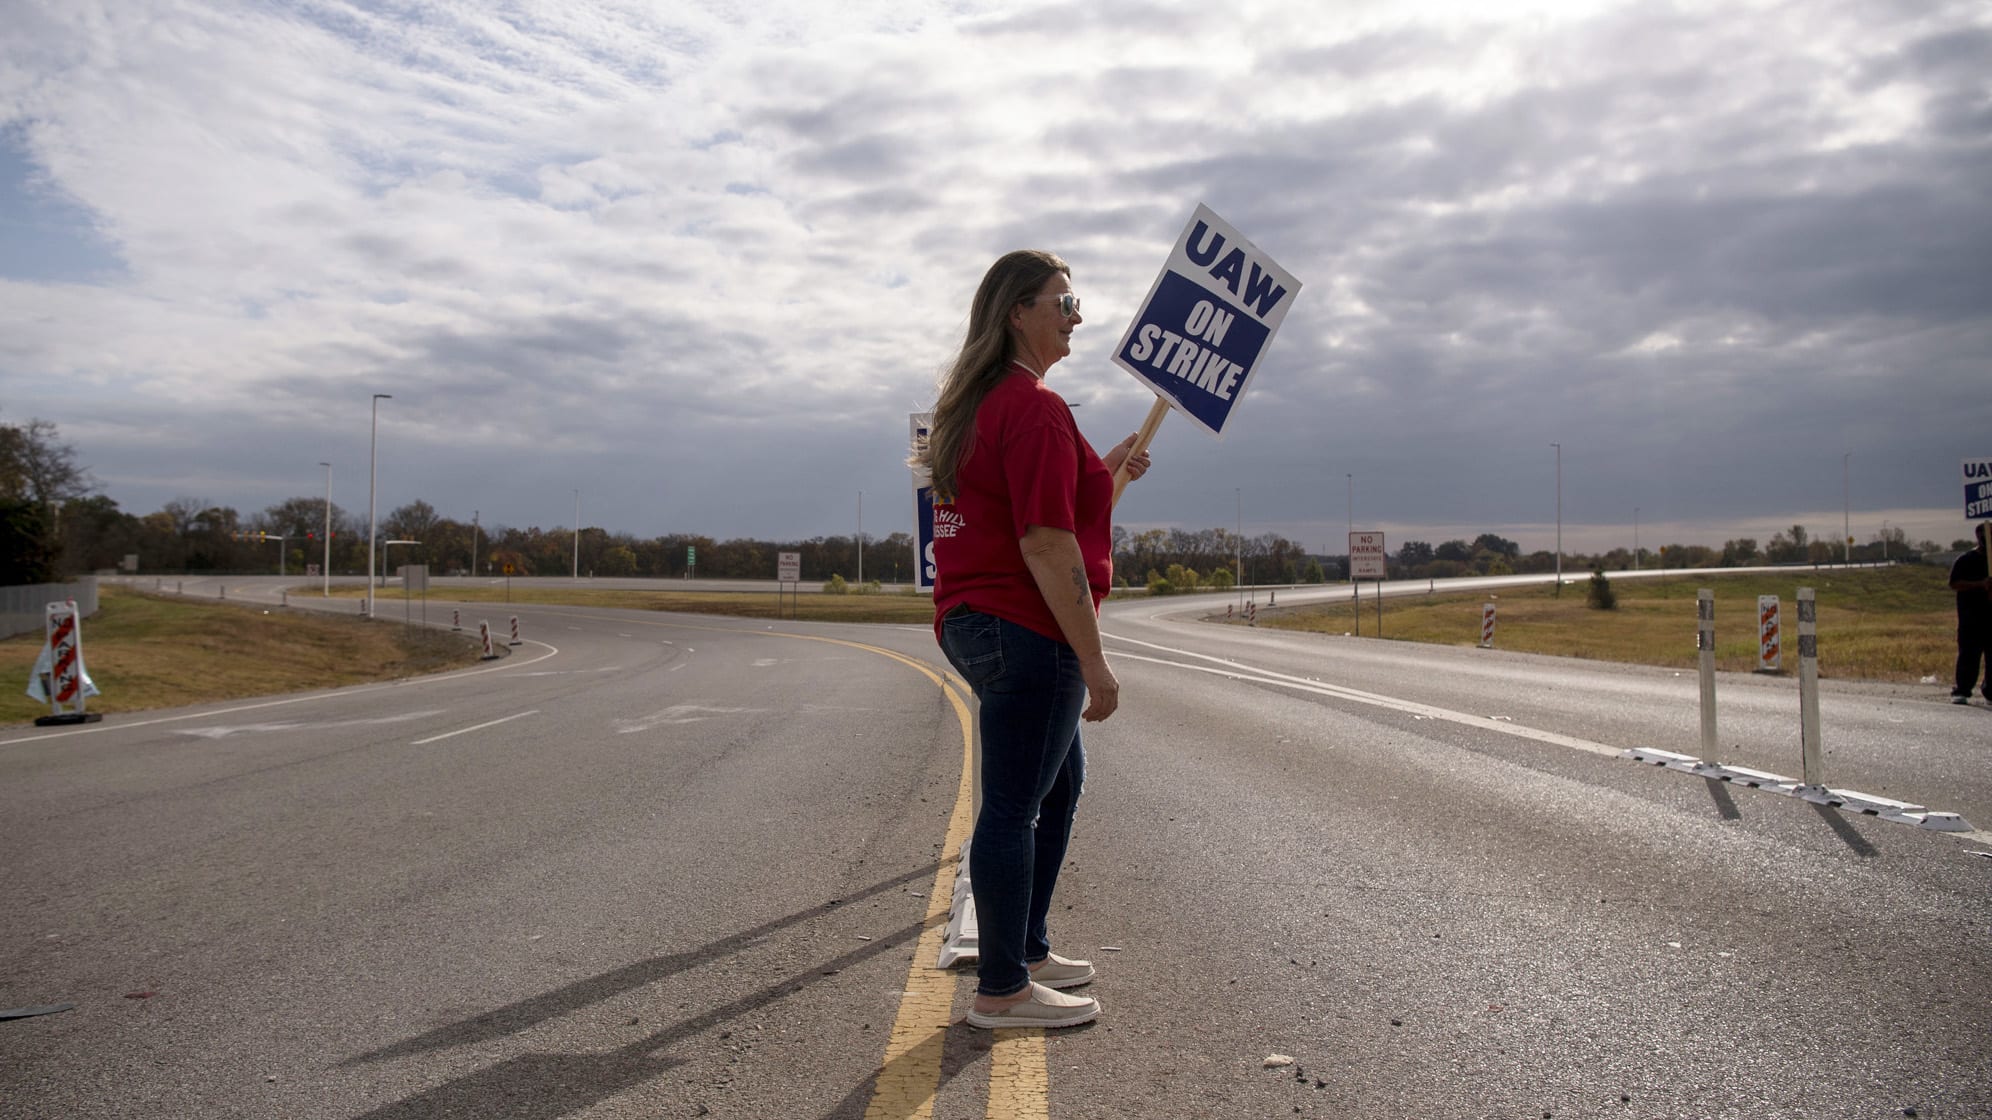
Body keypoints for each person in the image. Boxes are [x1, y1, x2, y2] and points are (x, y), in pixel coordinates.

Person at [915, 249, 1150, 1029]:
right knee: (1015, 806)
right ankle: (1004, 989)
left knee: (1060, 785)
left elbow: (1048, 515)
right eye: (1064, 300)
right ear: (1019, 311)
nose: (1076, 315)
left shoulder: (982, 405)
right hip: (1024, 627)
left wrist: (1106, 471)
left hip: (974, 620)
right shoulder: (1036, 409)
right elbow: (1047, 546)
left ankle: (1030, 944)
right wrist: (1096, 663)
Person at [1949, 521, 1991, 704]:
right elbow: (1954, 583)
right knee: (1969, 655)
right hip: (1971, 618)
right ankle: (1963, 690)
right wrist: (1980, 584)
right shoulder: (1966, 560)